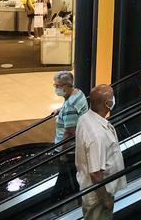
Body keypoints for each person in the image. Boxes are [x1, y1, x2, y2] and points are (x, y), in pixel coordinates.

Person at [75, 84, 125, 220]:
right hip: (97, 197)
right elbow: (96, 173)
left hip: (87, 188)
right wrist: (106, 198)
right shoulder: (98, 136)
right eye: (112, 97)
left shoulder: (85, 118)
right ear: (107, 103)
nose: (114, 99)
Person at [49, 71, 88, 201]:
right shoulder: (78, 93)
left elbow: (69, 132)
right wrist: (61, 110)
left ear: (66, 86)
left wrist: (63, 152)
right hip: (77, 146)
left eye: (57, 86)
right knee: (67, 176)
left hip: (69, 149)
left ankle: (56, 202)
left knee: (67, 176)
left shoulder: (70, 106)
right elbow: (72, 108)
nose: (56, 88)